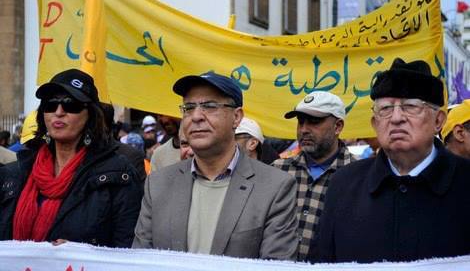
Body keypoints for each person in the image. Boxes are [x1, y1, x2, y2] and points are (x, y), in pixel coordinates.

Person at [313, 58, 470, 263]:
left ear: (439, 120)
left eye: (410, 106)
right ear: (375, 123)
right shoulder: (343, 184)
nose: (396, 118)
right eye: (386, 109)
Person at [133, 72, 298, 260]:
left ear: (236, 117)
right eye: (188, 108)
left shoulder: (274, 187)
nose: (196, 116)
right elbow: (142, 260)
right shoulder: (157, 184)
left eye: (209, 106)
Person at [0, 69, 142, 247]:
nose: (59, 112)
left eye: (70, 104)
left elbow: (127, 250)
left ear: (90, 114)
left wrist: (82, 254)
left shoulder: (118, 175)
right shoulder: (13, 174)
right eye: (50, 104)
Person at [272, 91, 356, 261]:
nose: (304, 130)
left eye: (314, 122)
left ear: (338, 126)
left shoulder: (358, 176)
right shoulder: (277, 171)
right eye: (300, 122)